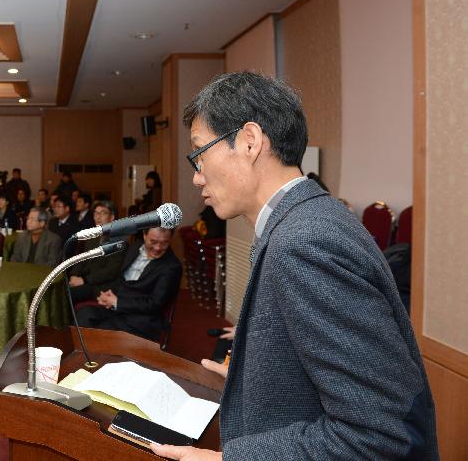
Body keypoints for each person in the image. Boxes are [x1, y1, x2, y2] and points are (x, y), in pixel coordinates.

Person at [152, 71, 437, 460]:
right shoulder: (305, 220)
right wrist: (251, 385)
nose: (196, 174)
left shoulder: (305, 242)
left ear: (249, 142)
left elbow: (377, 435)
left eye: (199, 153)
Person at [75, 227, 181, 341]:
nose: (158, 248)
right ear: (144, 235)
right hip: (119, 305)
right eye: (153, 242)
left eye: (165, 243)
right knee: (84, 315)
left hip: (141, 317)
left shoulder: (172, 267)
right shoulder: (135, 246)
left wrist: (117, 302)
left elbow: (155, 304)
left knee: (102, 332)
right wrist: (110, 294)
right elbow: (122, 278)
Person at [67, 200, 127, 302]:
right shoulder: (92, 236)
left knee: (68, 294)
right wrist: (74, 275)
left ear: (112, 217)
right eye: (96, 213)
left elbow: (110, 272)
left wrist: (84, 280)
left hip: (102, 286)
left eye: (103, 213)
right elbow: (82, 259)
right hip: (86, 280)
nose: (98, 217)